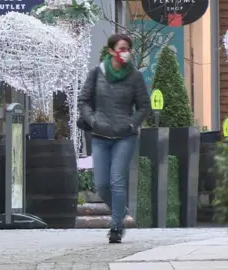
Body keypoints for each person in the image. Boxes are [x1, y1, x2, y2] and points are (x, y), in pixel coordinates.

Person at [78, 34, 151, 243]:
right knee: (101, 184)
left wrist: (131, 123)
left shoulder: (135, 76)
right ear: (111, 51)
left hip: (124, 136)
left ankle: (116, 227)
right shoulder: (96, 74)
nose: (125, 52)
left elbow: (144, 106)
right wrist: (92, 121)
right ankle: (120, 209)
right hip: (100, 135)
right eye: (121, 48)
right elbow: (84, 101)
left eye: (128, 48)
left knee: (117, 180)